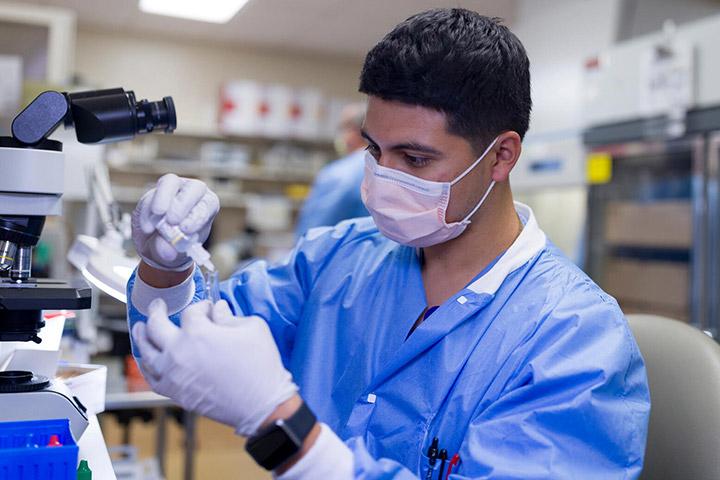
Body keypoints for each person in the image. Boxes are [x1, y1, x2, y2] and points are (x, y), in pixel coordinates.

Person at [127, 9, 650, 479]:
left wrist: (285, 430)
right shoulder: (336, 259)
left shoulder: (573, 340)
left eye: (415, 158)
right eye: (375, 150)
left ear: (502, 156)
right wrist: (165, 269)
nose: (382, 178)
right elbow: (173, 352)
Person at [295, 102, 369, 237]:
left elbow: (312, 236)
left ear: (357, 131)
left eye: (342, 128)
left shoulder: (339, 174)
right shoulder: (385, 170)